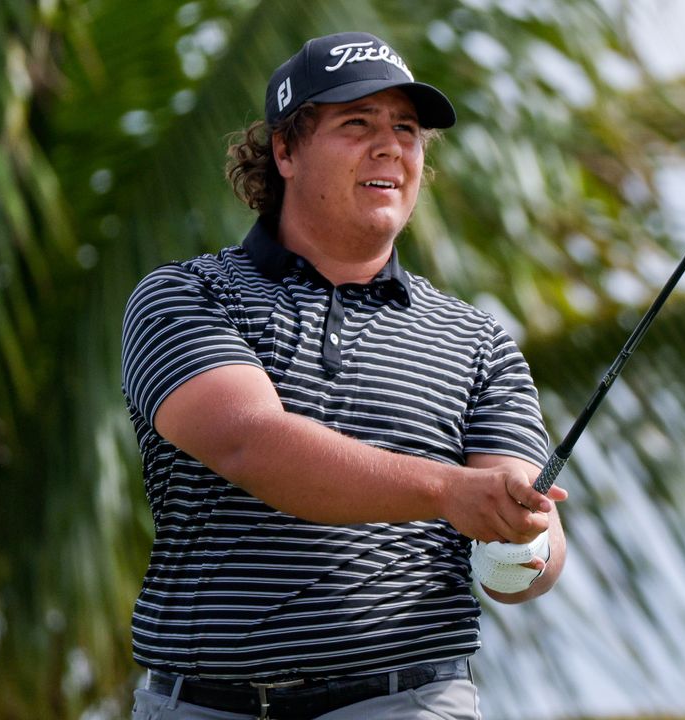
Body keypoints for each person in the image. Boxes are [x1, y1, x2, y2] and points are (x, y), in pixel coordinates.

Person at [121, 31, 567, 720]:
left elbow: (522, 562)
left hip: (408, 702)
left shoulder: (478, 343)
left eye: (407, 130)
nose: (390, 146)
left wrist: (523, 537)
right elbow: (253, 445)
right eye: (356, 123)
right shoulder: (188, 295)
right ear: (285, 150)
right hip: (206, 706)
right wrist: (449, 490)